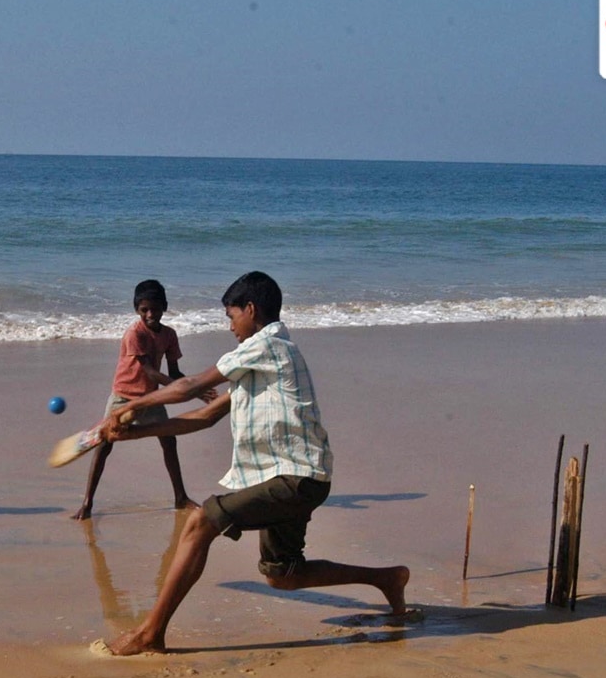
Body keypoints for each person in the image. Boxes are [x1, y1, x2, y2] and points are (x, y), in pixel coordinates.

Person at [95, 271, 410, 655]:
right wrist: (136, 433)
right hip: (294, 477)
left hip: (296, 477)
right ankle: (387, 579)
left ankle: (150, 633)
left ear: (251, 309)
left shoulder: (269, 344)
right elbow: (204, 416)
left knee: (200, 521)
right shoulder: (261, 363)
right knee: (284, 574)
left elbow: (190, 386)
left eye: (232, 317)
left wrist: (135, 405)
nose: (230, 327)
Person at [71, 279, 213, 520]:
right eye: (144, 309)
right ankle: (87, 503)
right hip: (124, 397)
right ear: (136, 309)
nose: (150, 314)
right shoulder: (134, 333)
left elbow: (175, 372)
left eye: (155, 309)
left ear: (165, 307)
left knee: (169, 442)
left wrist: (198, 388)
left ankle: (180, 497)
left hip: (152, 397)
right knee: (105, 445)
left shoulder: (169, 335)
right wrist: (187, 390)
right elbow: (149, 371)